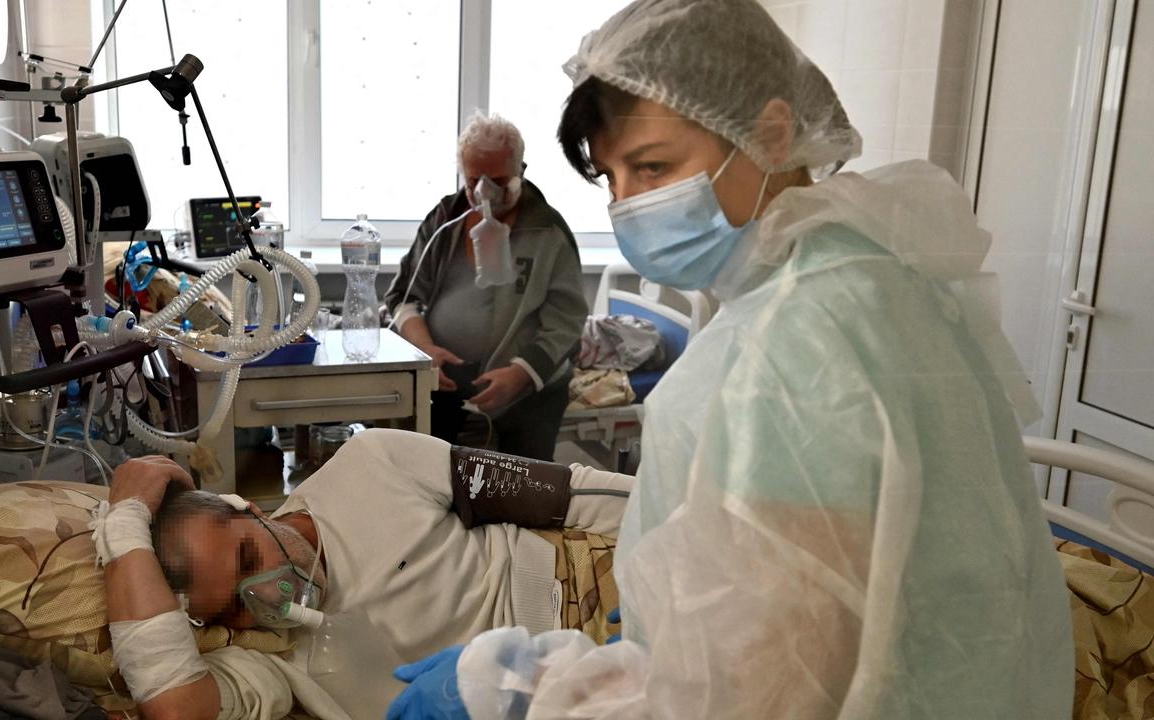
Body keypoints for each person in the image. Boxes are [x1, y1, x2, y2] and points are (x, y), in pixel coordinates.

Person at [388, 0, 1075, 718]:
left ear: (770, 133)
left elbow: (757, 697)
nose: (628, 208)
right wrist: (696, 603)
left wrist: (529, 695)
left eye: (653, 167)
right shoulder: (868, 275)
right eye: (613, 179)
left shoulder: (801, 341)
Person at [96, 428, 630, 719]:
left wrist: (691, 534)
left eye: (249, 558)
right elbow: (176, 708)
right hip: (548, 696)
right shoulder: (265, 651)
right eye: (236, 604)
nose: (270, 595)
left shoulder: (372, 465)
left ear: (254, 509)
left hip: (592, 576)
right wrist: (125, 530)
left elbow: (568, 494)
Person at [385, 113, 590, 461]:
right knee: (433, 479)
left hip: (529, 392)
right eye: (472, 181)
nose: (483, 194)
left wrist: (522, 373)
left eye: (497, 180)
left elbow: (567, 321)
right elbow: (403, 298)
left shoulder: (548, 232)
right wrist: (426, 349)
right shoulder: (444, 220)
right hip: (443, 383)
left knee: (522, 491)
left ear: (521, 170)